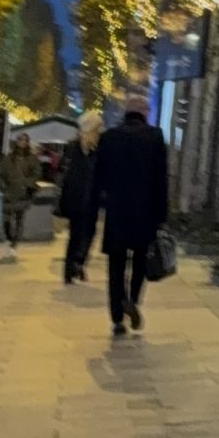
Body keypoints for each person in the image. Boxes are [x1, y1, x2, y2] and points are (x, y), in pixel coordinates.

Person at [88, 100, 169, 337]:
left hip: (117, 212)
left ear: (126, 114)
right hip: (146, 212)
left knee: (116, 265)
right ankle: (133, 299)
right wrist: (162, 216)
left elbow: (98, 178)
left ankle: (116, 316)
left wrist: (96, 208)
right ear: (144, 113)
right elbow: (161, 180)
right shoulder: (155, 137)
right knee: (141, 262)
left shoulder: (110, 137)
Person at [57, 112, 103, 283]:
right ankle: (71, 269)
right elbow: (64, 173)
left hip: (91, 198)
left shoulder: (98, 148)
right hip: (76, 199)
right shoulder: (74, 147)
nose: (101, 130)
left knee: (88, 233)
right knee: (77, 234)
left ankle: (78, 263)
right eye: (98, 127)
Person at [0, 132, 39, 253]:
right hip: (9, 193)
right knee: (6, 220)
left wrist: (27, 184)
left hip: (22, 194)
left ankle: (14, 243)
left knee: (19, 219)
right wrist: (3, 187)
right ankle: (9, 239)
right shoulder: (8, 158)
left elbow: (36, 174)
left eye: (25, 140)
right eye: (20, 139)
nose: (22, 142)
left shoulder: (32, 159)